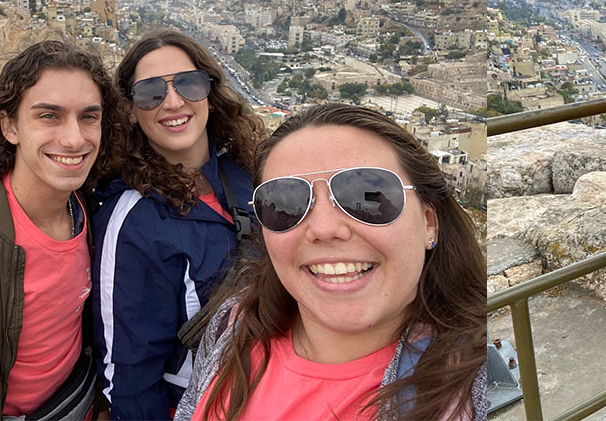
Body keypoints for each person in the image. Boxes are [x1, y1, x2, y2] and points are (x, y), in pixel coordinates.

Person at [173, 104, 487, 421]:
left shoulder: (476, 383)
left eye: (368, 197)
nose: (324, 229)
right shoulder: (233, 325)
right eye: (285, 204)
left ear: (429, 223)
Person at [92, 29, 264, 419]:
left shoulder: (246, 175)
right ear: (131, 110)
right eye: (151, 92)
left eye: (188, 83)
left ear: (209, 92)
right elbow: (129, 374)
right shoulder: (135, 221)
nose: (173, 101)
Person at [0, 40, 125, 419]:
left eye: (89, 117)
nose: (74, 139)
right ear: (9, 126)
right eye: (49, 116)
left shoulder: (91, 214)